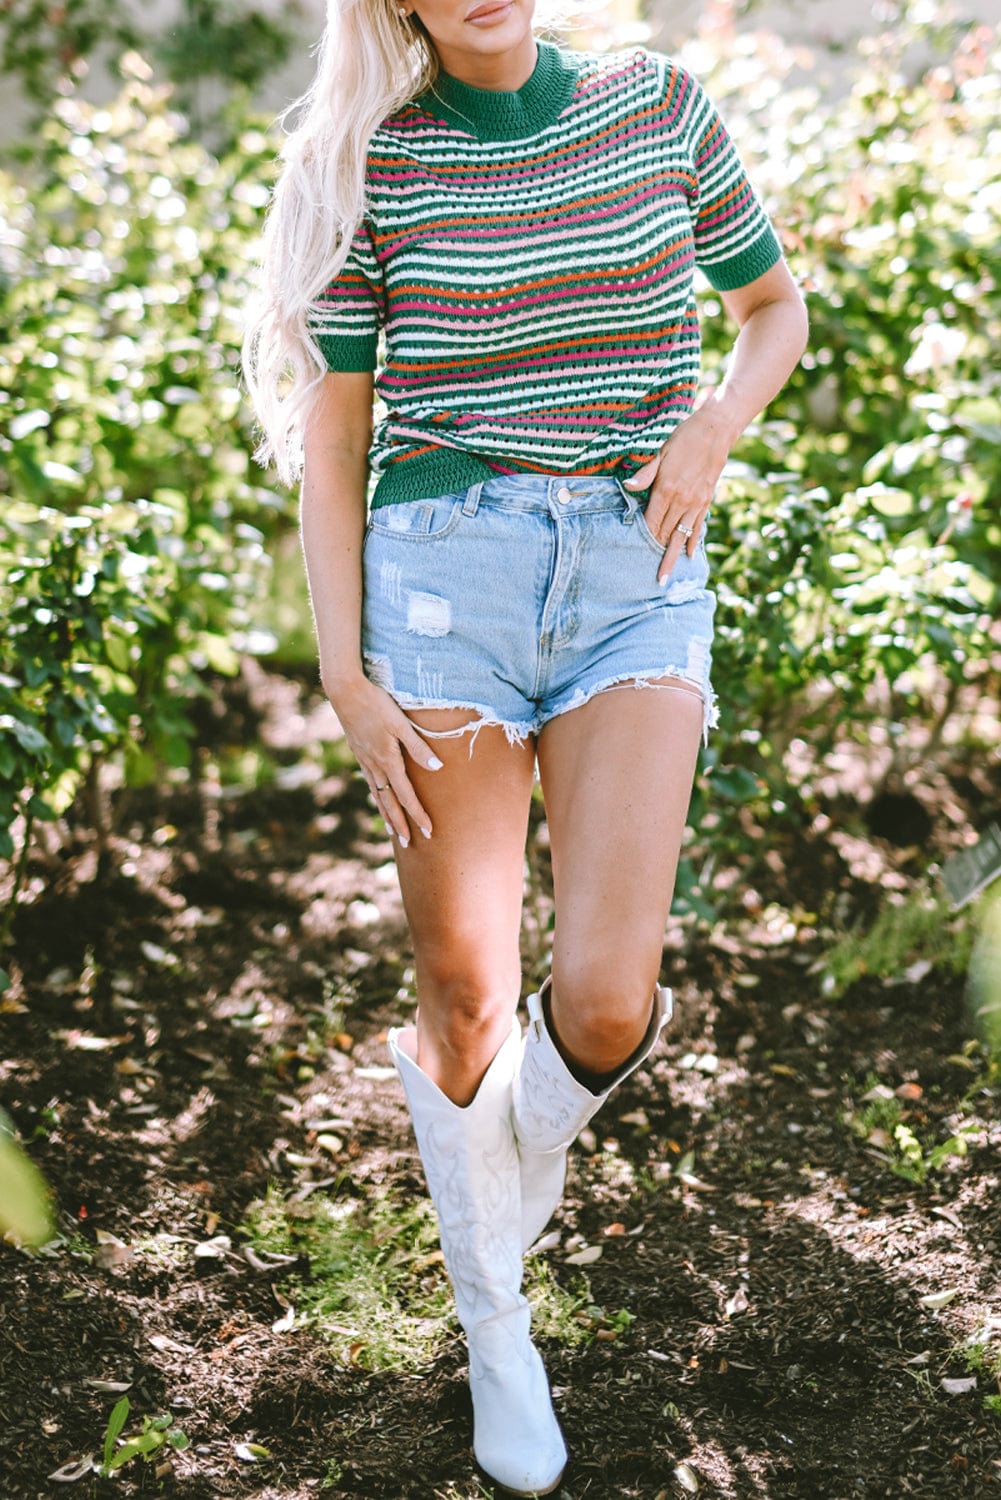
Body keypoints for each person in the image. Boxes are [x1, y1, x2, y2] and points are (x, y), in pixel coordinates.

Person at [243, 0, 808, 1491]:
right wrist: (345, 666)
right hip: (445, 589)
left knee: (609, 1005)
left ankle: (511, 1164)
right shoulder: (375, 162)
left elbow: (774, 309)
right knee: (463, 989)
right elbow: (334, 434)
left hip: (636, 574)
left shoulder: (654, 103)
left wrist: (705, 430)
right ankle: (497, 1324)